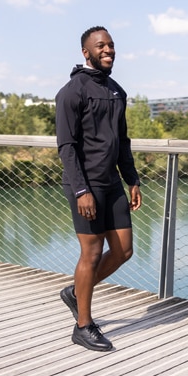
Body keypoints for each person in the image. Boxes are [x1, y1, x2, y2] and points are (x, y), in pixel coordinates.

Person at [55, 26, 142, 351]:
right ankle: (83, 326)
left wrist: (132, 179)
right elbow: (66, 146)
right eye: (101, 46)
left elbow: (122, 141)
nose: (108, 50)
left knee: (123, 251)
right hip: (85, 184)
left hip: (112, 183)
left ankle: (76, 292)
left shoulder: (117, 91)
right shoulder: (71, 92)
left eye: (111, 45)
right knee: (91, 254)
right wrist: (82, 191)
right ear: (86, 52)